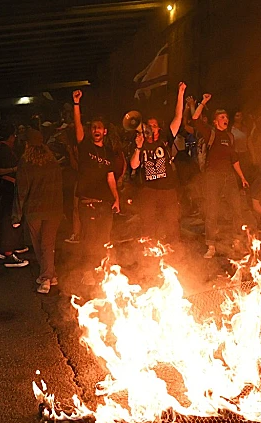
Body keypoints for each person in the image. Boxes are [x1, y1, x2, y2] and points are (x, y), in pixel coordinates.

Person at [72, 89, 121, 284]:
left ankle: (102, 271)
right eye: (93, 127)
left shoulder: (108, 153)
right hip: (88, 203)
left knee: (104, 239)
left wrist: (116, 198)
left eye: (99, 128)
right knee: (88, 240)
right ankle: (87, 272)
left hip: (105, 204)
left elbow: (110, 178)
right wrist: (76, 105)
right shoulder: (84, 146)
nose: (96, 130)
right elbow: (77, 127)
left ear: (105, 131)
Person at [191, 93, 249, 258]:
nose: (226, 119)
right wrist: (203, 102)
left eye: (226, 117)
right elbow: (195, 120)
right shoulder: (211, 133)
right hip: (213, 176)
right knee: (212, 211)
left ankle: (237, 243)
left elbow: (234, 159)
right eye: (222, 117)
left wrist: (242, 178)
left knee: (237, 210)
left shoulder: (230, 137)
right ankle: (211, 246)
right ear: (215, 121)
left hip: (229, 177)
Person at [129, 82, 187, 246]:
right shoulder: (141, 142)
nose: (152, 128)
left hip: (168, 188)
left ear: (159, 129)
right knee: (147, 223)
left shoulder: (165, 139)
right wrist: (138, 147)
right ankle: (149, 252)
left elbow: (178, 117)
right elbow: (134, 165)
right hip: (148, 189)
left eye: (154, 126)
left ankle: (174, 250)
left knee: (172, 222)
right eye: (149, 126)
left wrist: (180, 93)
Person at [14, 129, 63, 293]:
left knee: (39, 244)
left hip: (35, 210)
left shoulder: (26, 163)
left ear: (27, 144)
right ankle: (51, 275)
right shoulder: (52, 161)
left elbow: (21, 191)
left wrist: (16, 216)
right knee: (48, 244)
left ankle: (46, 278)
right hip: (54, 208)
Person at [0, 124, 29, 268]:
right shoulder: (3, 150)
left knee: (2, 219)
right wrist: (13, 171)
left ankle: (1, 248)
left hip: (2, 189)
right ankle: (8, 252)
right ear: (10, 136)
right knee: (7, 219)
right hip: (5, 189)